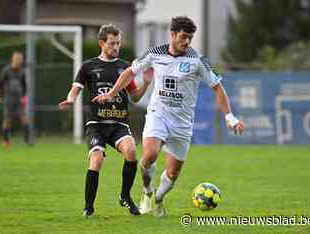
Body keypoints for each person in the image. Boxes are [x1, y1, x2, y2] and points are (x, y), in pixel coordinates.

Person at [92, 16, 244, 217]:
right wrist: (111, 94)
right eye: (183, 37)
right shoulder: (155, 53)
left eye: (190, 38)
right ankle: (147, 191)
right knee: (150, 155)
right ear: (172, 34)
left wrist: (229, 117)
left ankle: (158, 199)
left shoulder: (198, 60)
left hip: (182, 123)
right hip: (158, 115)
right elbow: (130, 72)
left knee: (172, 173)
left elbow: (218, 88)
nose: (187, 42)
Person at [58, 24, 152, 217]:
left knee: (131, 151)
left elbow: (134, 97)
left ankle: (125, 196)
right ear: (102, 43)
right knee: (97, 159)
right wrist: (71, 99)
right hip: (97, 125)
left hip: (119, 124)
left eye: (118, 43)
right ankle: (88, 207)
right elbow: (75, 89)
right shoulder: (88, 66)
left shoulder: (126, 67)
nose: (116, 47)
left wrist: (147, 83)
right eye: (112, 43)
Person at [0, 51, 29, 147]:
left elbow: (24, 86)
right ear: (13, 59)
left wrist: (24, 97)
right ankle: (6, 141)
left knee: (24, 119)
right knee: (7, 120)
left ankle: (26, 141)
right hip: (8, 99)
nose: (19, 61)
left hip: (19, 100)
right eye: (17, 59)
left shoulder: (22, 72)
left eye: (20, 60)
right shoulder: (6, 70)